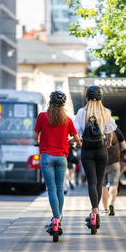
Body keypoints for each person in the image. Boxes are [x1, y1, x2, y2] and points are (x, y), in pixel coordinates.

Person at [34, 91, 81, 236]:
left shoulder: (42, 116)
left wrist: (41, 143)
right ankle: (58, 219)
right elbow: (77, 139)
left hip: (46, 157)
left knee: (51, 189)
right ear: (63, 105)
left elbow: (36, 136)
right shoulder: (67, 120)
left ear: (50, 102)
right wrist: (68, 141)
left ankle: (55, 219)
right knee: (60, 188)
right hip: (61, 158)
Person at [73, 85, 117, 231]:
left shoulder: (82, 112)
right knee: (99, 182)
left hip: (87, 150)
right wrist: (108, 144)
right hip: (102, 150)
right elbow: (110, 133)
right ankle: (95, 214)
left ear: (86, 97)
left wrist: (79, 143)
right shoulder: (106, 112)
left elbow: (76, 133)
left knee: (91, 182)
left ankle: (94, 212)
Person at [102, 127, 126, 216]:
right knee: (113, 184)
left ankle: (105, 209)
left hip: (101, 163)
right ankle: (111, 204)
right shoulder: (115, 129)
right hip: (114, 162)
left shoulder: (97, 129)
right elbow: (124, 146)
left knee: (103, 186)